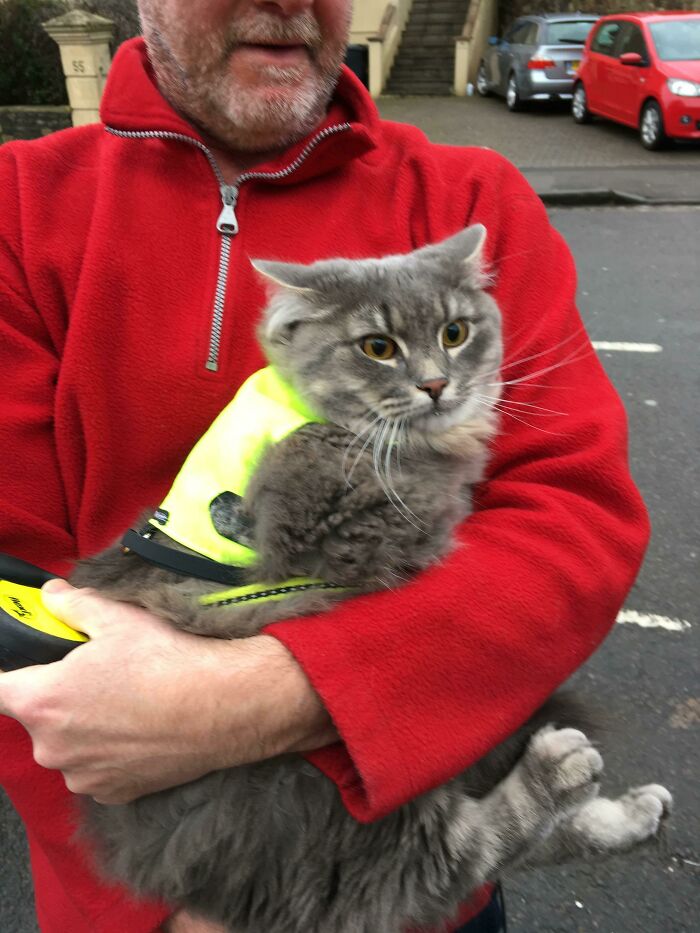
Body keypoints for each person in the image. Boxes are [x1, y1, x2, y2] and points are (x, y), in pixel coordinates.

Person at [0, 1, 650, 931]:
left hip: (432, 872)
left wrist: (264, 699)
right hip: (157, 885)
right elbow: (10, 603)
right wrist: (158, 913)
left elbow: (573, 522)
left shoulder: (472, 197)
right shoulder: (18, 208)